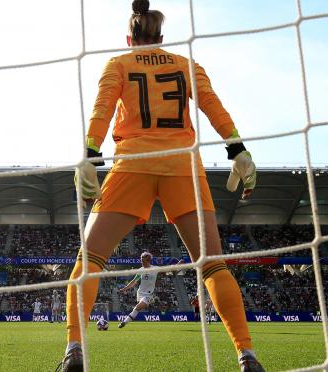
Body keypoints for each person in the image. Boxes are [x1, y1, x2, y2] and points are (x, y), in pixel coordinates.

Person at [58, 1, 261, 371]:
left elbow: (101, 111)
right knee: (213, 267)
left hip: (131, 165)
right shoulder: (186, 65)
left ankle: (74, 350)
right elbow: (213, 105)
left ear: (129, 38)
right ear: (161, 39)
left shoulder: (118, 64)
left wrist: (89, 153)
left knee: (88, 262)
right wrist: (238, 149)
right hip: (183, 165)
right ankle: (246, 355)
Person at [117, 252, 183, 328]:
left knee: (137, 307)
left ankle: (124, 322)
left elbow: (168, 269)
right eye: (141, 260)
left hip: (148, 294)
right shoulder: (140, 270)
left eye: (143, 261)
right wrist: (124, 289)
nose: (142, 262)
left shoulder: (155, 268)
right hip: (140, 293)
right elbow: (134, 282)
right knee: (138, 308)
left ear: (148, 260)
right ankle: (152, 302)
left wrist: (178, 264)